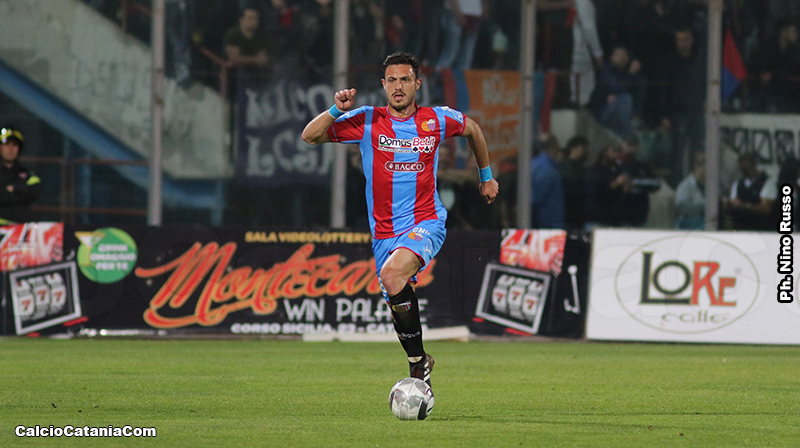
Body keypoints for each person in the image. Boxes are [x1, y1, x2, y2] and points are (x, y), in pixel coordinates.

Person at [301, 52, 499, 391]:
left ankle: (417, 364)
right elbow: (310, 135)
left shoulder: (436, 119)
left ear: (417, 84)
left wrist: (486, 176)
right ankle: (418, 360)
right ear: (383, 85)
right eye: (391, 80)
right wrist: (336, 109)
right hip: (383, 234)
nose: (398, 86)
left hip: (427, 220)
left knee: (392, 275)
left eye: (405, 79)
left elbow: (473, 129)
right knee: (395, 289)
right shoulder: (367, 119)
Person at [590, 45, 647, 138]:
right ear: (612, 57)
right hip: (603, 112)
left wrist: (637, 113)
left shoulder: (626, 73)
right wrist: (631, 73)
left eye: (624, 55)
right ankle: (628, 134)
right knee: (625, 98)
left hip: (619, 114)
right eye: (618, 55)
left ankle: (632, 127)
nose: (622, 58)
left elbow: (639, 94)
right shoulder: (606, 70)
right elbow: (618, 88)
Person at [723, 152, 776, 231]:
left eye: (746, 168)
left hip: (761, 229)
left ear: (753, 165)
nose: (743, 170)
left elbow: (766, 208)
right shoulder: (738, 183)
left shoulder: (767, 182)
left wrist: (743, 205)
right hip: (740, 229)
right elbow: (733, 203)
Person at [0, 127, 42, 224]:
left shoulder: (26, 173)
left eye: (14, 145)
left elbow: (36, 190)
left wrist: (15, 188)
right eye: (6, 144)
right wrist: (20, 193)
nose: (10, 149)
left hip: (21, 227)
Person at [618, 135, 661, 227]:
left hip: (639, 214)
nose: (631, 148)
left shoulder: (643, 165)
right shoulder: (616, 164)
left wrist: (635, 183)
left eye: (634, 145)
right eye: (629, 144)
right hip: (619, 215)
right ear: (622, 145)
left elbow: (656, 183)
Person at [584, 144, 629, 229]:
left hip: (614, 219)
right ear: (605, 152)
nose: (617, 155)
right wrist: (616, 183)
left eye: (618, 152)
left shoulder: (617, 169)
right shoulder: (595, 170)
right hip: (597, 219)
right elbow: (596, 192)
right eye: (613, 151)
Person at [570, 0, 604, 107]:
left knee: (575, 85)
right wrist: (597, 53)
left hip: (572, 49)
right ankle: (580, 110)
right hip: (581, 50)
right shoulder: (584, 2)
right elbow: (589, 29)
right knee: (584, 87)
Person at [530, 133, 565, 229]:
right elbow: (536, 199)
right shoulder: (547, 169)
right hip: (548, 224)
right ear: (553, 147)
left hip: (542, 224)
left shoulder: (534, 165)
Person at [223, 8, 270, 72]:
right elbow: (234, 59)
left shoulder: (260, 35)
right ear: (241, 20)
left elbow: (262, 57)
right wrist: (255, 59)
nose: (254, 21)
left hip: (255, 69)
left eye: (256, 19)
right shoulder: (232, 34)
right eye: (250, 18)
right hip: (234, 70)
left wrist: (257, 60)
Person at [559, 135, 590, 230]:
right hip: (569, 216)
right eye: (583, 148)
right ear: (573, 149)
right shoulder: (565, 169)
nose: (586, 152)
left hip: (579, 217)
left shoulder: (582, 169)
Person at [674, 153, 706, 230]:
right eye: (705, 167)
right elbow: (681, 206)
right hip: (687, 227)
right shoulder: (685, 186)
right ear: (697, 168)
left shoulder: (711, 187)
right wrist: (703, 206)